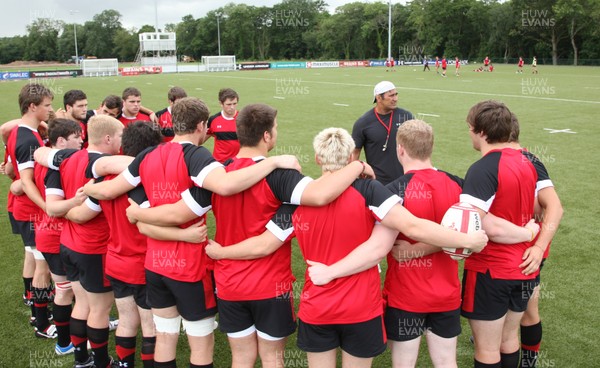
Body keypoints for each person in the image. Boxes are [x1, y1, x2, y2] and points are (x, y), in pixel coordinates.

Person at [122, 103, 374, 368]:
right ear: (266, 136)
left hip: (229, 285)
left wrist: (140, 215)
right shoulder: (282, 177)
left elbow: (177, 213)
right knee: (272, 358)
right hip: (269, 287)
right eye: (275, 128)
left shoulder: (218, 174)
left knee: (241, 358)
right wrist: (356, 167)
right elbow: (322, 194)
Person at [81, 97, 303, 368]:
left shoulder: (147, 155)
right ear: (201, 125)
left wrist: (90, 188)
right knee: (200, 343)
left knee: (165, 336)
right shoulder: (197, 156)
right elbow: (223, 187)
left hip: (154, 265)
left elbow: (108, 190)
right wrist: (271, 163)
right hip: (189, 267)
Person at [382, 120, 538, 368]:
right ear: (431, 147)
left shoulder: (391, 192)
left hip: (406, 295)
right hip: (447, 294)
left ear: (400, 149)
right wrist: (527, 232)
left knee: (404, 363)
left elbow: (385, 246)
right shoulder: (458, 185)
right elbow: (488, 224)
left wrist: (413, 251)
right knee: (446, 362)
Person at [39, 115, 124, 368]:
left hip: (68, 244)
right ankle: (100, 362)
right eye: (120, 136)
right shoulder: (103, 166)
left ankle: (81, 359)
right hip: (94, 248)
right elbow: (88, 212)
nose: (122, 141)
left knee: (83, 304)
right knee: (98, 310)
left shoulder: (66, 158)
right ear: (108, 138)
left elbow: (53, 205)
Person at [459, 100, 540, 368]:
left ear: (482, 131)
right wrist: (529, 234)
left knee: (487, 350)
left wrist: (526, 234)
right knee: (509, 340)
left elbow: (483, 225)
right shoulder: (528, 160)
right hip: (524, 268)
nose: (469, 133)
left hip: (491, 271)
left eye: (470, 128)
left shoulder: (483, 168)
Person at [5, 83, 55, 337]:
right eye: (47, 105)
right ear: (32, 106)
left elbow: (14, 172)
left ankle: (41, 313)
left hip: (28, 210)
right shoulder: (26, 138)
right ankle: (42, 322)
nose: (50, 109)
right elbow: (25, 181)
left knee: (39, 265)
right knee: (42, 268)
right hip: (32, 212)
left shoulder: (22, 131)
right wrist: (47, 206)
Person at [35, 118, 85, 354]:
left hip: (53, 233)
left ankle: (74, 335)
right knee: (65, 289)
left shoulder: (48, 157)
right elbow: (53, 207)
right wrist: (77, 201)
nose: (81, 141)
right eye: (77, 137)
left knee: (70, 288)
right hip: (54, 235)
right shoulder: (55, 165)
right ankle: (64, 343)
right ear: (62, 140)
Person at [351, 81, 414, 185]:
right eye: (391, 96)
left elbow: (416, 147)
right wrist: (353, 177)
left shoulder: (406, 116)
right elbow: (355, 152)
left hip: (405, 180)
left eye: (396, 95)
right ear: (378, 98)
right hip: (378, 183)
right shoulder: (363, 123)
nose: (395, 99)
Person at [207, 88, 241, 163]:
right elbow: (200, 139)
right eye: (228, 104)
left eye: (234, 103)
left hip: (237, 163)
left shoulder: (243, 119)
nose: (232, 107)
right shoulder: (213, 120)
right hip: (219, 164)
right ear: (221, 104)